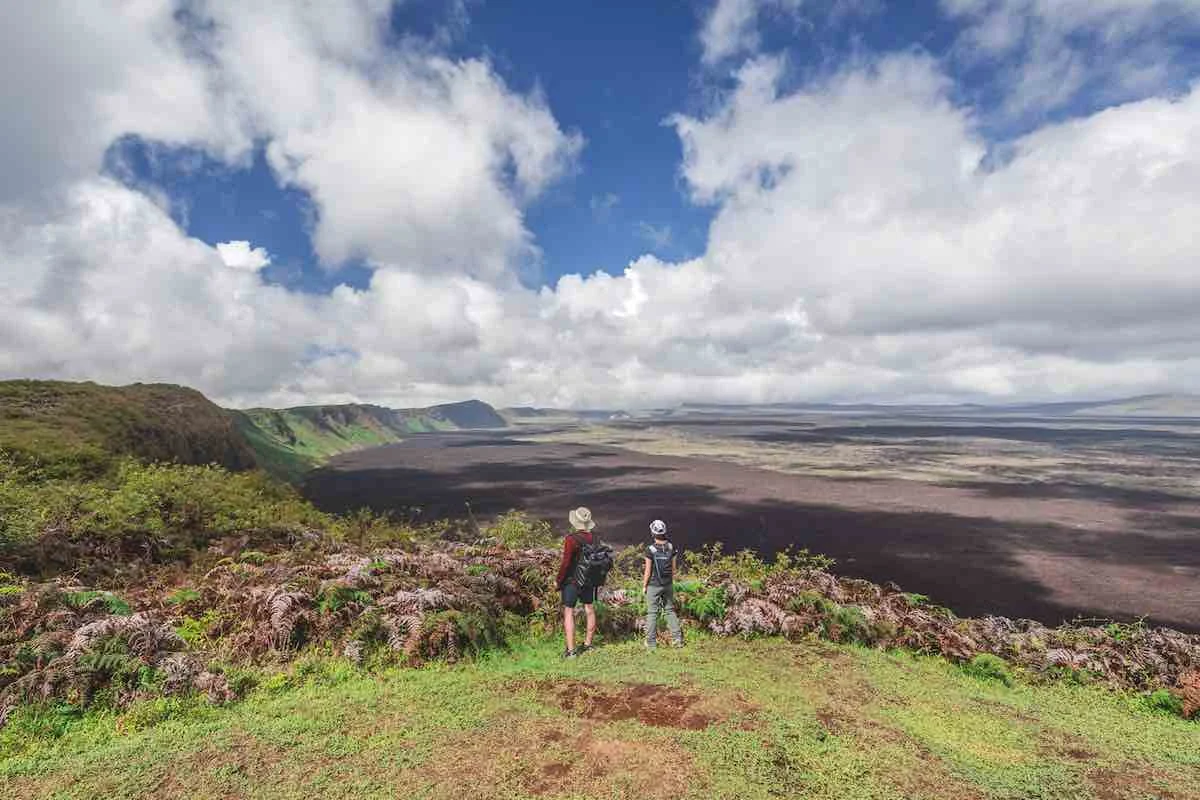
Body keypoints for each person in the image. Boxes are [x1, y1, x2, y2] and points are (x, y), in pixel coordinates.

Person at [557, 506, 598, 658]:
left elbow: (566, 563)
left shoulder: (571, 539)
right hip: (589, 579)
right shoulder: (595, 538)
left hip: (572, 581)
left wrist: (559, 580)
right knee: (589, 608)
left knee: (569, 611)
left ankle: (571, 651)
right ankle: (588, 644)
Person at [643, 519, 684, 649]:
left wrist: (644, 586)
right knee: (670, 611)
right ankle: (677, 640)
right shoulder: (671, 547)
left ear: (652, 533)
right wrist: (670, 583)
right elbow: (673, 569)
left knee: (652, 613)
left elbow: (647, 571)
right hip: (668, 584)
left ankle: (651, 643)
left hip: (653, 585)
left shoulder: (650, 549)